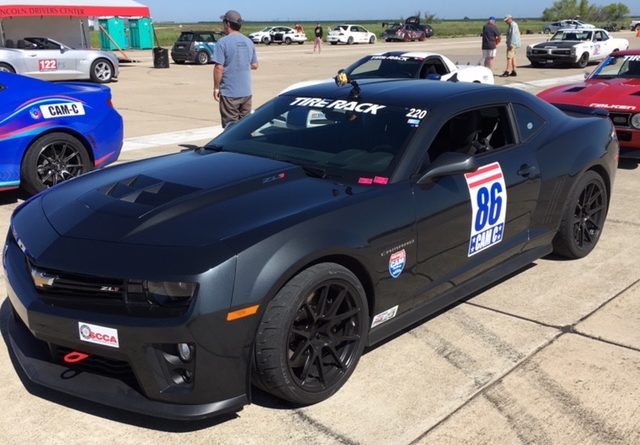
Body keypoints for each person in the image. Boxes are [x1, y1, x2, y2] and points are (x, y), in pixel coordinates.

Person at [212, 10, 259, 128]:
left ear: (227, 24)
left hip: (230, 93)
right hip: (246, 93)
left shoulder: (222, 42)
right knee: (244, 128)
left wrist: (216, 88)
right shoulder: (249, 41)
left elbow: (218, 68)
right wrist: (242, 64)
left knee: (230, 128)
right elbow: (255, 65)